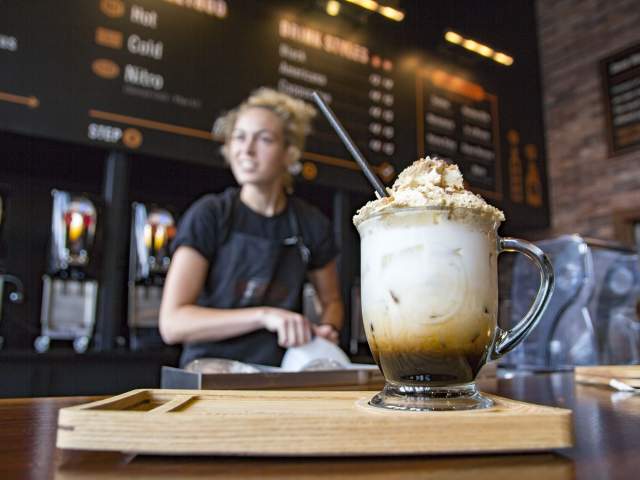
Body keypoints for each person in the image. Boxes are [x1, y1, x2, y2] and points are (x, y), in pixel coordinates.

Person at [159, 88, 344, 367]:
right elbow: (173, 324)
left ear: (289, 153)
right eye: (239, 137)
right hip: (210, 375)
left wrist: (328, 328)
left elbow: (332, 302)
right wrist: (264, 316)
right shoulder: (210, 214)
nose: (246, 150)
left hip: (279, 375)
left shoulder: (311, 224)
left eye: (264, 139)